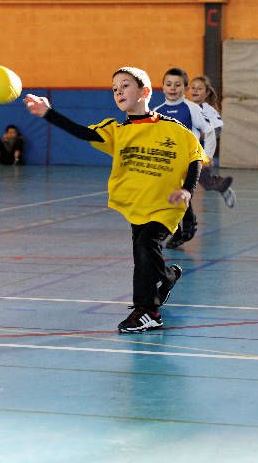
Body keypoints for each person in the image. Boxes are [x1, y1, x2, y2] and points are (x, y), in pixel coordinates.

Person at [24, 67, 205, 333]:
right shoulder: (116, 131)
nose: (119, 91)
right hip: (135, 206)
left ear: (144, 92)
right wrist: (48, 113)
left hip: (166, 206)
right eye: (115, 89)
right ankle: (167, 278)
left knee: (146, 243)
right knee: (143, 256)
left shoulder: (174, 130)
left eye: (125, 86)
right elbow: (82, 132)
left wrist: (188, 190)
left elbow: (195, 157)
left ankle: (147, 312)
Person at [154, 67, 217, 249]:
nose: (173, 88)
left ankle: (187, 227)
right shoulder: (157, 112)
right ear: (163, 87)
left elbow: (209, 131)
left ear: (185, 87)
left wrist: (208, 155)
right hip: (166, 163)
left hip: (189, 162)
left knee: (180, 194)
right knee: (165, 197)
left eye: (177, 85)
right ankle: (178, 231)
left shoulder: (192, 109)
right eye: (168, 84)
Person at [189, 75, 236, 208]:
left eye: (199, 88)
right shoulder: (185, 107)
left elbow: (214, 132)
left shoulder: (209, 111)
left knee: (205, 181)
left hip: (200, 154)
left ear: (207, 92)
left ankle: (222, 187)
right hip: (183, 152)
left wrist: (207, 157)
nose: (195, 91)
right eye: (193, 88)